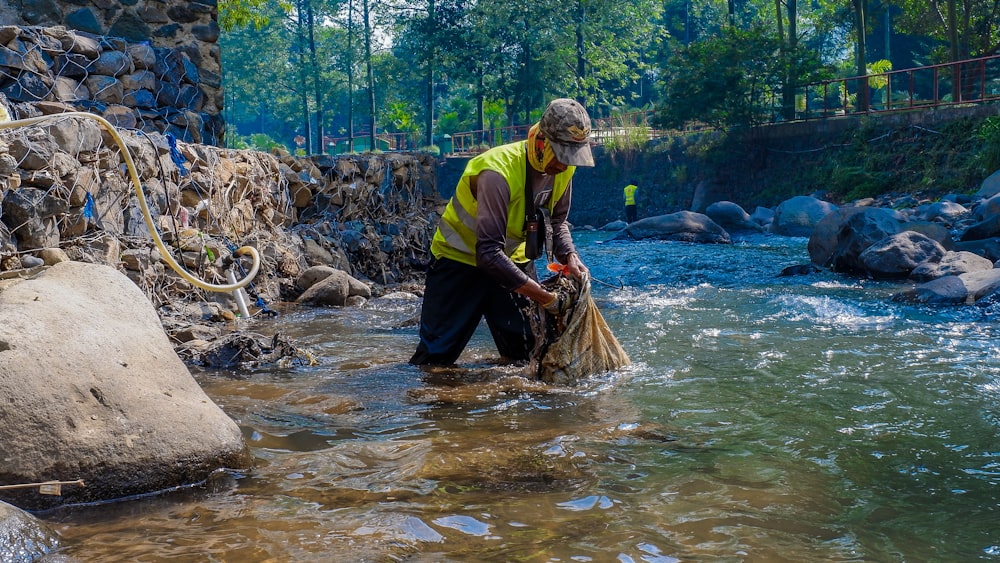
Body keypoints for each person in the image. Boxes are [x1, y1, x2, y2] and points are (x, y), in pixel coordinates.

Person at [410, 98, 594, 366]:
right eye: (561, 156)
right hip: (459, 264)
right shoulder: (497, 172)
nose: (564, 166)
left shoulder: (564, 171)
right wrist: (545, 298)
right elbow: (487, 253)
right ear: (540, 142)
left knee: (529, 355)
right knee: (435, 360)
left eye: (572, 158)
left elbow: (558, 223)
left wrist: (570, 257)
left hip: (512, 262)